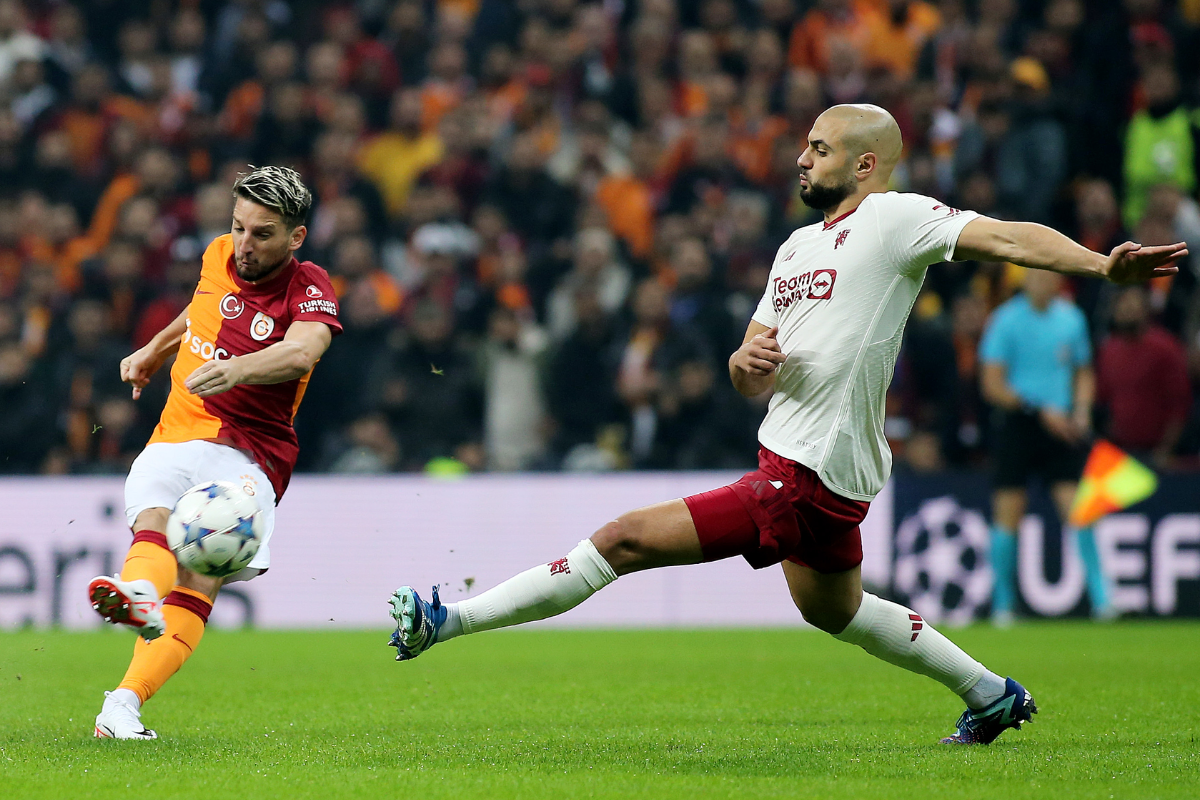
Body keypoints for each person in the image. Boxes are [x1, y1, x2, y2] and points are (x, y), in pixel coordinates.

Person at [386, 105, 1185, 745]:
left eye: (820, 147)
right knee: (834, 610)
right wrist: (748, 361)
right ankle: (991, 694)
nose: (802, 158)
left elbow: (1007, 237)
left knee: (623, 538)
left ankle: (446, 621)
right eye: (805, 145)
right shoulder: (795, 247)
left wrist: (1098, 264)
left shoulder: (896, 220)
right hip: (806, 458)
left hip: (805, 472)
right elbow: (747, 366)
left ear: (864, 165)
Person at [86, 166, 342, 739]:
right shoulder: (217, 253)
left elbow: (302, 352)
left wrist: (236, 369)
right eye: (239, 227)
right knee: (183, 565)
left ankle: (131, 646)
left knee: (173, 553)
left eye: (263, 233)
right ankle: (128, 673)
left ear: (296, 238)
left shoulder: (309, 284)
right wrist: (155, 348)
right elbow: (202, 308)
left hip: (242, 449)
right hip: (190, 442)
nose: (244, 244)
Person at [979, 270, 1111, 625]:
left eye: (1049, 276)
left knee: (1079, 511)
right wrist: (1036, 409)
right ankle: (1003, 606)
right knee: (1008, 514)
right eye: (1036, 276)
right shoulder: (1005, 320)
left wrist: (1081, 410)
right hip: (1019, 423)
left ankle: (1104, 601)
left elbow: (1083, 372)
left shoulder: (1071, 318)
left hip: (1062, 428)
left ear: (1058, 281)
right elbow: (992, 384)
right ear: (1025, 280)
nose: (1042, 282)